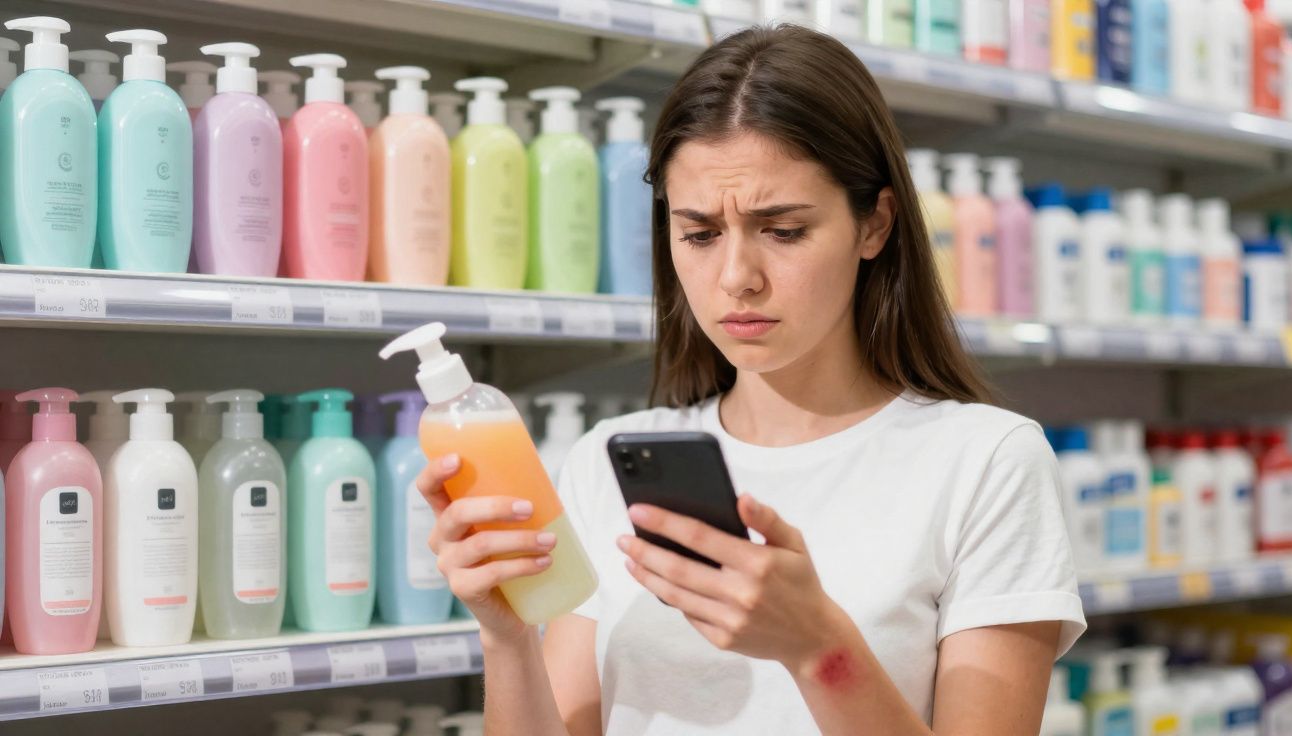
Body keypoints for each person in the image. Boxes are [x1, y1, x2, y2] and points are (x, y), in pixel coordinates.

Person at [416, 24, 1085, 735]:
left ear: (875, 225)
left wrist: (817, 645)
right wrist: (508, 634)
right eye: (700, 233)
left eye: (783, 230)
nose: (737, 278)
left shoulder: (986, 462)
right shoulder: (604, 461)